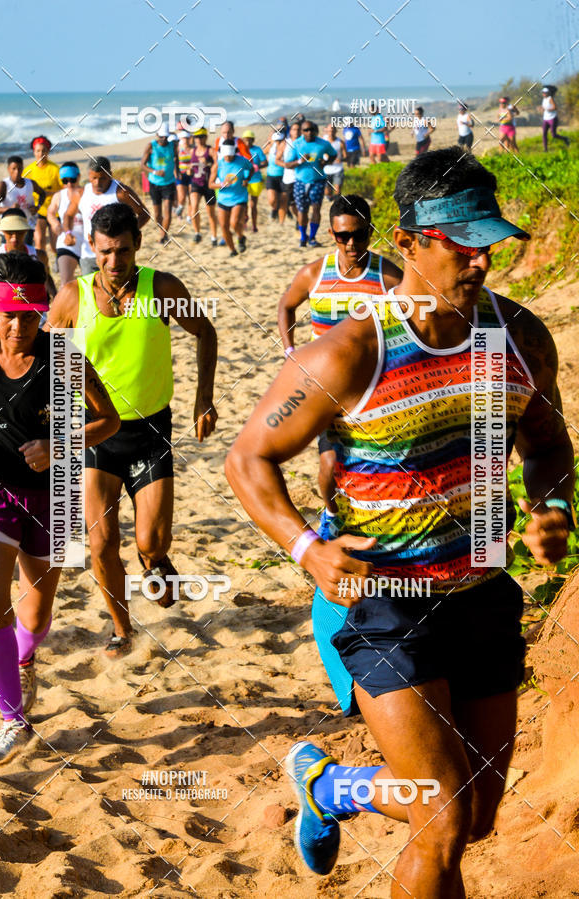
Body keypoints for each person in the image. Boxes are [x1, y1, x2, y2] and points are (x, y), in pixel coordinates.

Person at [226, 146, 575, 894]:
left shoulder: (518, 338)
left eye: (490, 243)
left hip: (481, 592)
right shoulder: (353, 349)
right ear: (410, 240)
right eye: (463, 243)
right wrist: (306, 550)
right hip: (386, 602)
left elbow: (548, 445)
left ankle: (330, 787)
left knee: (476, 816)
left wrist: (552, 505)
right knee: (441, 815)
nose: (480, 261)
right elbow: (248, 459)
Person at [46, 203, 218, 655]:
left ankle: (154, 558)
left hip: (150, 430)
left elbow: (206, 331)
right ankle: (122, 628)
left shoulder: (161, 288)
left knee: (152, 541)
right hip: (96, 432)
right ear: (92, 248)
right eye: (104, 252)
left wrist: (204, 396)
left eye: (122, 250)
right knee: (101, 541)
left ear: (137, 245)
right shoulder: (72, 296)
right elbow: (45, 357)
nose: (113, 261)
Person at [0, 251, 119, 765]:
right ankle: (13, 720)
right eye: (6, 315)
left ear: (42, 308)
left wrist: (60, 445)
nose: (17, 327)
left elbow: (109, 422)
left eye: (28, 314)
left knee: (35, 611)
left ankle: (25, 655)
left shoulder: (62, 359)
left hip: (53, 494)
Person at [277, 194, 401, 534]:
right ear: (331, 234)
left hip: (377, 388)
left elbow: (414, 318)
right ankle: (332, 515)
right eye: (341, 236)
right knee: (329, 465)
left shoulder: (388, 276)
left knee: (376, 465)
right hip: (326, 388)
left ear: (370, 232)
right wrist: (291, 352)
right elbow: (286, 306)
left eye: (357, 235)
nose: (349, 243)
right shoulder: (314, 273)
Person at [62, 156, 149, 275]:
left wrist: (129, 233)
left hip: (117, 254)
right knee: (92, 291)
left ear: (110, 174)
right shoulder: (80, 194)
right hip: (89, 254)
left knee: (121, 291)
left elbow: (144, 214)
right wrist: (68, 233)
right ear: (88, 175)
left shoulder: (121, 192)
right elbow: (68, 215)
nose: (97, 182)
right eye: (94, 178)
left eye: (102, 178)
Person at [283, 121, 336, 248]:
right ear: (301, 131)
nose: (309, 132)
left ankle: (312, 237)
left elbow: (333, 154)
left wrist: (326, 162)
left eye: (312, 130)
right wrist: (300, 160)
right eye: (306, 130)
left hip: (318, 180)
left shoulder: (323, 144)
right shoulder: (296, 144)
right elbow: (287, 165)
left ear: (316, 131)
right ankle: (303, 237)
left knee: (316, 208)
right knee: (302, 211)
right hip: (300, 182)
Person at [0, 209, 56, 302]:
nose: (14, 237)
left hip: (33, 306)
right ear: (2, 231)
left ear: (26, 231)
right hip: (3, 309)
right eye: (10, 232)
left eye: (19, 232)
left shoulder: (39, 256)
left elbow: (46, 278)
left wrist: (55, 297)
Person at [209, 140, 253, 256]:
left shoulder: (242, 161)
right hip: (223, 199)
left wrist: (247, 179)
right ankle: (233, 250)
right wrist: (221, 184)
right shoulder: (218, 165)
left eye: (230, 154)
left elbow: (252, 168)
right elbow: (210, 184)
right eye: (226, 155)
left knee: (234, 222)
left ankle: (240, 236)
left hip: (239, 197)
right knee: (224, 226)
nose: (228, 157)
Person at [0, 156, 45, 244]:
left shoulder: (30, 183)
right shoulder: (4, 185)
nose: (17, 172)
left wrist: (37, 207)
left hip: (26, 226)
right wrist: (10, 209)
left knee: (25, 255)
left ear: (23, 168)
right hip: (8, 227)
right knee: (8, 256)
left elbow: (43, 194)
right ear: (8, 169)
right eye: (13, 169)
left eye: (19, 169)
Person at [22, 137, 63, 256]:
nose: (41, 154)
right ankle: (43, 267)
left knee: (55, 246)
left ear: (48, 151)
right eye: (38, 151)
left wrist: (49, 193)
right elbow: (23, 190)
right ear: (34, 152)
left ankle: (57, 260)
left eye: (43, 150)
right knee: (39, 242)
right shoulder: (28, 170)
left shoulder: (55, 169)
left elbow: (64, 189)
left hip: (55, 210)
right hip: (37, 210)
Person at [47, 162, 84, 286]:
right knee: (65, 283)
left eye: (72, 180)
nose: (69, 184)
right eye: (65, 180)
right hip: (67, 241)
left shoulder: (86, 193)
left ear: (79, 177)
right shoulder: (59, 196)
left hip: (86, 242)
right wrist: (55, 224)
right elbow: (50, 213)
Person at [141, 123, 178, 244]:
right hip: (155, 183)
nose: (163, 139)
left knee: (168, 210)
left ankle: (163, 235)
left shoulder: (172, 145)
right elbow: (142, 165)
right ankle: (162, 230)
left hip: (169, 182)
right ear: (157, 135)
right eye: (161, 137)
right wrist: (155, 172)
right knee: (157, 214)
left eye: (166, 137)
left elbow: (176, 158)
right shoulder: (151, 146)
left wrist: (177, 171)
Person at [189, 127, 218, 245]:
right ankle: (197, 233)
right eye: (196, 137)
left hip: (209, 184)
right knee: (194, 207)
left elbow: (218, 164)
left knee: (211, 213)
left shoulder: (210, 151)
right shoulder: (192, 151)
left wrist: (209, 164)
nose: (198, 139)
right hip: (196, 183)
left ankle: (214, 237)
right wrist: (189, 170)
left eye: (201, 137)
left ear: (206, 137)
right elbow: (190, 168)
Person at [242, 130, 267, 232]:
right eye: (246, 140)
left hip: (255, 180)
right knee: (243, 204)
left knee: (253, 205)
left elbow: (265, 162)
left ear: (253, 140)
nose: (248, 143)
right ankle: (244, 220)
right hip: (243, 180)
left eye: (250, 140)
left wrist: (258, 166)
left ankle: (254, 225)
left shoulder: (257, 150)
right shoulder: (240, 150)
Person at [278, 121, 301, 224]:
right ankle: (282, 222)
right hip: (288, 178)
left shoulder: (304, 142)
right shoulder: (285, 143)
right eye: (294, 129)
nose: (296, 131)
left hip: (301, 177)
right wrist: (286, 165)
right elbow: (277, 159)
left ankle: (299, 221)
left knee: (298, 203)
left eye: (298, 129)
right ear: (290, 131)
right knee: (287, 202)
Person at [540, 86, 569, 152]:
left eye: (545, 92)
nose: (543, 94)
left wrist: (546, 109)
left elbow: (555, 107)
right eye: (543, 92)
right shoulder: (543, 99)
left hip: (552, 118)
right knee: (544, 134)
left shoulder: (550, 98)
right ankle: (545, 149)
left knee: (553, 135)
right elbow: (544, 108)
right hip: (545, 119)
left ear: (548, 93)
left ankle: (565, 139)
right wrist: (541, 109)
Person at [322, 125, 346, 197]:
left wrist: (341, 159)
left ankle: (336, 203)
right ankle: (330, 198)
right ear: (327, 131)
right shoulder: (323, 142)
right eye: (329, 131)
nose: (331, 132)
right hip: (326, 170)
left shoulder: (340, 142)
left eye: (332, 131)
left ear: (336, 131)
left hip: (338, 169)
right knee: (327, 192)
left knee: (337, 191)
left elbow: (346, 156)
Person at [266, 132, 285, 221]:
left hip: (284, 176)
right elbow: (261, 154)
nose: (278, 143)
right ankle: (274, 209)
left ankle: (281, 220)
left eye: (280, 141)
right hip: (271, 176)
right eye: (276, 141)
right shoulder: (270, 148)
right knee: (272, 200)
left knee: (282, 200)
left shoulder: (287, 148)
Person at [174, 130, 193, 219]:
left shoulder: (193, 149)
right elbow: (174, 162)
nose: (185, 140)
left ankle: (189, 216)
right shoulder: (178, 149)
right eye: (183, 138)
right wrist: (176, 173)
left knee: (191, 197)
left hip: (192, 175)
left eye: (186, 138)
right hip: (181, 175)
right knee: (181, 197)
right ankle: (180, 210)